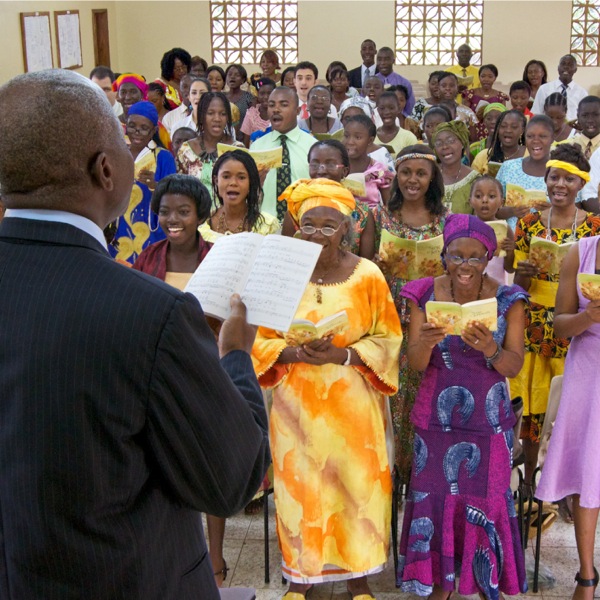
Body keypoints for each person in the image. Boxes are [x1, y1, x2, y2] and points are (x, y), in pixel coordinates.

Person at [0, 68, 269, 599]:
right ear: (105, 169)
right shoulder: (150, 314)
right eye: (123, 142)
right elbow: (230, 480)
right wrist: (235, 357)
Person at [253, 178, 402, 599]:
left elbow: (389, 338)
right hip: (294, 404)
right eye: (309, 224)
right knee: (300, 488)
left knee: (357, 489)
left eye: (328, 225)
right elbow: (259, 336)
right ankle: (300, 581)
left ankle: (359, 581)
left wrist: (344, 356)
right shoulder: (281, 274)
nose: (318, 234)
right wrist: (293, 353)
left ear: (346, 228)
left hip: (353, 406)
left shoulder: (367, 275)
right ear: (296, 226)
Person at [397, 213, 528, 599]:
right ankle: (439, 585)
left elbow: (514, 365)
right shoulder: (423, 293)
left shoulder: (509, 299)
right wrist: (426, 340)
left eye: (474, 257)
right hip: (435, 418)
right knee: (435, 498)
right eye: (457, 256)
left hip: (489, 422)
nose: (465, 266)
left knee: (486, 500)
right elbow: (416, 363)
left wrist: (489, 348)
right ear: (444, 255)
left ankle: (482, 581)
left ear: (489, 257)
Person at [512, 143, 600, 498]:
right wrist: (522, 272)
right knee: (533, 412)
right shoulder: (529, 222)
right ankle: (532, 482)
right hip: (534, 321)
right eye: (553, 177)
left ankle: (571, 486)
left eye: (568, 178)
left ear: (581, 184)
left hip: (580, 325)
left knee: (570, 412)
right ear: (545, 180)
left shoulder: (594, 227)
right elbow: (518, 283)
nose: (559, 184)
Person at [373, 144, 447, 481]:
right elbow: (364, 268)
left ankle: (420, 471)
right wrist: (380, 264)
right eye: (405, 172)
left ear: (433, 178)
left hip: (428, 321)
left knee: (423, 392)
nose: (412, 179)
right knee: (392, 393)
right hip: (388, 315)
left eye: (421, 173)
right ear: (395, 175)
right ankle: (390, 469)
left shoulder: (444, 221)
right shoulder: (380, 218)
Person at [536, 233, 600, 600]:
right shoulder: (582, 250)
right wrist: (586, 317)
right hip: (588, 367)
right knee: (588, 471)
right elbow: (559, 325)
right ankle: (586, 576)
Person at [283, 139, 376, 258]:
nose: (321, 171)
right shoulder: (295, 209)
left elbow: (364, 263)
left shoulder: (362, 213)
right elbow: (286, 257)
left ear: (345, 171)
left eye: (331, 164)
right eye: (315, 164)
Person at [112, 100, 176, 264]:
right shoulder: (117, 153)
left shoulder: (163, 157)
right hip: (116, 229)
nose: (137, 132)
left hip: (151, 228)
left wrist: (155, 186)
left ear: (154, 130)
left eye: (144, 128)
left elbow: (173, 195)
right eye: (132, 126)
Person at [132, 173, 212, 284]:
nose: (172, 219)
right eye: (164, 212)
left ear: (200, 216)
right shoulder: (148, 257)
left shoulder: (216, 257)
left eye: (183, 212)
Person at [250, 86, 315, 219]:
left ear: (297, 111)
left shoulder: (313, 147)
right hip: (264, 226)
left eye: (283, 105)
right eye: (271, 105)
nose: (276, 109)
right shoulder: (257, 147)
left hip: (302, 225)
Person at [176, 91, 243, 205]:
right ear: (202, 115)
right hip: (193, 219)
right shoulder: (186, 149)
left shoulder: (237, 149)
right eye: (210, 113)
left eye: (222, 114)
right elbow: (179, 191)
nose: (217, 118)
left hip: (227, 219)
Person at [200, 149, 279, 242]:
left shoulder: (268, 226)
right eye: (226, 177)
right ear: (216, 181)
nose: (233, 183)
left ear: (251, 182)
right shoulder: (202, 224)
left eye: (241, 177)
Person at [497, 114, 555, 229]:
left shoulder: (561, 172)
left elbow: (576, 214)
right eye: (530, 136)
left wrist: (552, 211)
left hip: (547, 242)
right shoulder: (509, 168)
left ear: (552, 138)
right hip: (511, 242)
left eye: (542, 136)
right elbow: (492, 210)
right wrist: (512, 211)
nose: (535, 141)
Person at [469, 175, 515, 283]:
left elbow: (510, 268)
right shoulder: (467, 226)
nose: (484, 200)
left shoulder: (505, 229)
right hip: (470, 286)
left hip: (497, 289)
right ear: (470, 201)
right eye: (478, 196)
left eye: (491, 196)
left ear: (501, 202)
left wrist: (510, 251)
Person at [344, 114, 394, 209]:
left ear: (370, 140)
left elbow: (389, 208)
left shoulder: (380, 171)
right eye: (346, 136)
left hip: (373, 221)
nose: (350, 141)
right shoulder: (337, 168)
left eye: (358, 137)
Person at [432, 121, 480, 214]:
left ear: (462, 143)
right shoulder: (429, 176)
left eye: (450, 141)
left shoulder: (475, 180)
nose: (445, 146)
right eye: (438, 143)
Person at [532, 55, 588, 122]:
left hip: (573, 130)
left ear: (575, 70)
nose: (566, 67)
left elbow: (585, 116)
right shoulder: (544, 89)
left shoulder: (582, 93)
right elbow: (536, 113)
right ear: (558, 68)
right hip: (549, 128)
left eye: (570, 65)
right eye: (563, 64)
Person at [471, 108, 526, 175]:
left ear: (522, 130)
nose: (508, 130)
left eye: (514, 127)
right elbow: (473, 183)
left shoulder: (531, 155)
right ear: (497, 129)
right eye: (503, 126)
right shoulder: (483, 156)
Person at [461, 64, 509, 140]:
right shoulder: (469, 94)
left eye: (490, 76)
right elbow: (464, 116)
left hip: (494, 133)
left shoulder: (501, 97)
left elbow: (502, 118)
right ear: (479, 77)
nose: (486, 79)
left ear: (495, 78)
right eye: (483, 76)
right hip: (472, 133)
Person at [375, 46, 415, 115]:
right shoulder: (370, 83)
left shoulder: (404, 83)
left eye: (386, 59)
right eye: (379, 60)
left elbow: (410, 110)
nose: (382, 63)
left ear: (393, 60)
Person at [437, 72, 478, 140]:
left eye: (452, 85)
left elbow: (473, 139)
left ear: (457, 88)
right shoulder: (431, 112)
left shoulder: (468, 112)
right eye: (444, 86)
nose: (448, 88)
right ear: (438, 88)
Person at [240, 77, 275, 147]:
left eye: (269, 93)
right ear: (257, 95)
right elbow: (246, 141)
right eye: (262, 93)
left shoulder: (279, 113)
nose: (266, 97)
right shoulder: (251, 114)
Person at [225, 64, 255, 137]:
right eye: (229, 74)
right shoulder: (221, 97)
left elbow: (252, 122)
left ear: (243, 80)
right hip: (223, 139)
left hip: (242, 139)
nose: (232, 77)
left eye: (237, 75)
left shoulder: (249, 97)